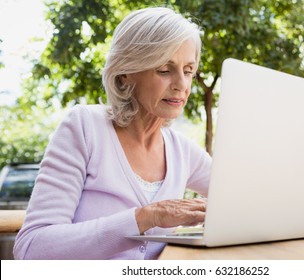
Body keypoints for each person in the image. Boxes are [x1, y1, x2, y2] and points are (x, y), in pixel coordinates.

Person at [13, 7, 211, 260]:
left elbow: (243, 197)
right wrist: (147, 217)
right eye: (164, 70)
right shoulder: (85, 127)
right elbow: (32, 249)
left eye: (188, 71)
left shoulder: (183, 150)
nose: (182, 86)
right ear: (127, 71)